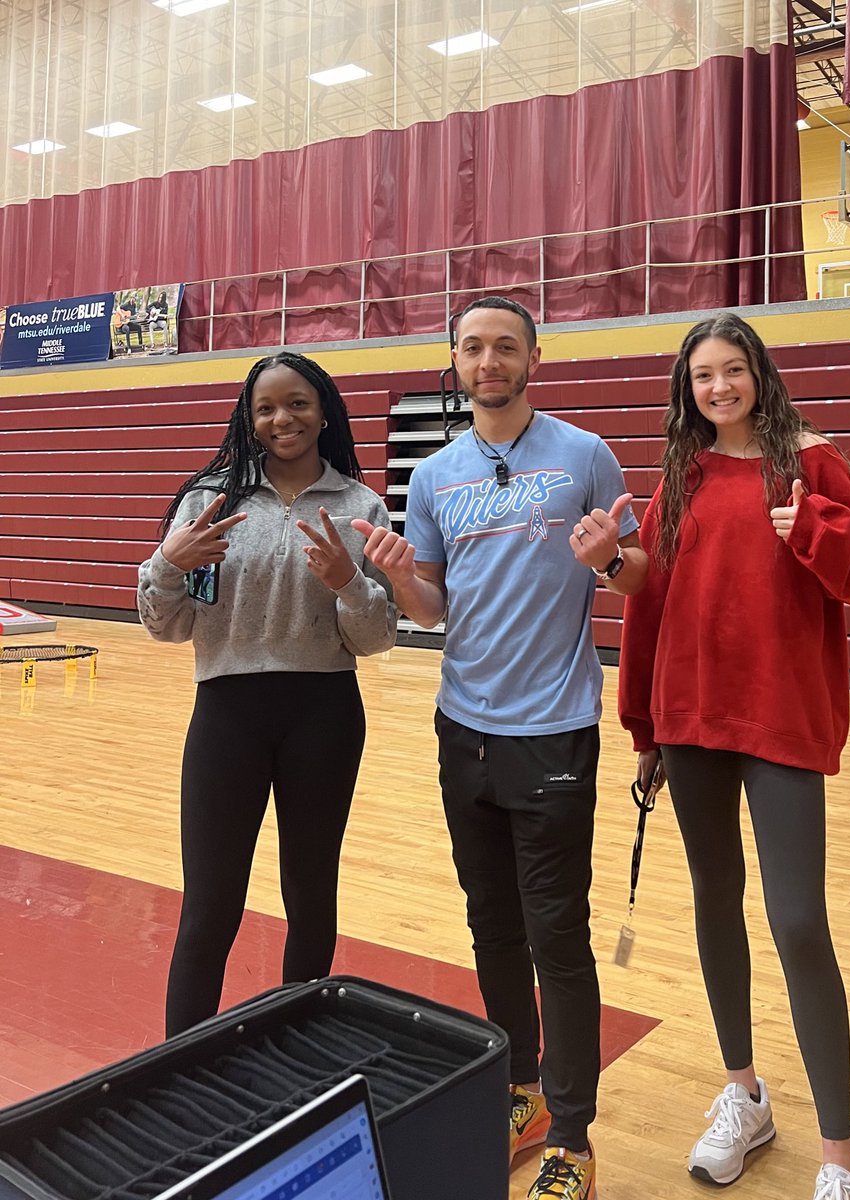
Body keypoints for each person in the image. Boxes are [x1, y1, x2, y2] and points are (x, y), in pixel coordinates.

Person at [351, 297, 646, 1200]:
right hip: (461, 730)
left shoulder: (584, 456)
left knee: (559, 934)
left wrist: (607, 559)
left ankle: (573, 1134)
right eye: (474, 347)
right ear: (455, 358)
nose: (489, 360)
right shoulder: (436, 473)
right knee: (492, 923)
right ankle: (519, 1089)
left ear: (533, 358)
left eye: (505, 346)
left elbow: (640, 579)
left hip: (553, 730)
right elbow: (436, 610)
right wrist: (404, 582)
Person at [618, 312, 850, 1200]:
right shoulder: (681, 473)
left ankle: (839, 1154)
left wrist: (815, 528)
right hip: (692, 720)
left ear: (759, 374)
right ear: (687, 389)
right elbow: (652, 602)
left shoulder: (812, 462)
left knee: (798, 923)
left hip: (778, 718)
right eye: (702, 376)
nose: (718, 388)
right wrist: (644, 727)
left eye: (732, 370)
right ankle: (743, 1094)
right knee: (715, 904)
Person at [138, 351, 397, 1038]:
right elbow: (169, 627)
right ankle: (177, 1067)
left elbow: (375, 639)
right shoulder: (210, 503)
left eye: (298, 403)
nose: (283, 418)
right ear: (249, 421)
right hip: (227, 716)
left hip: (324, 716)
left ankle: (297, 1049)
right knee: (211, 905)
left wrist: (349, 581)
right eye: (266, 407)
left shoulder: (359, 506)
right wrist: (169, 564)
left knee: (311, 897)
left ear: (324, 412)